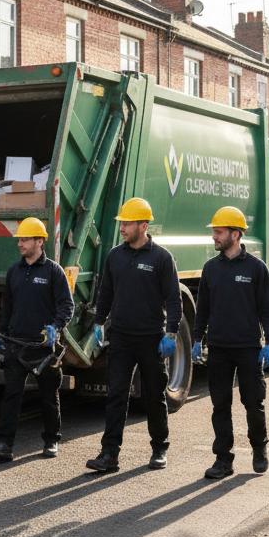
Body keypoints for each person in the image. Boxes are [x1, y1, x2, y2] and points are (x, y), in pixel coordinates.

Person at [85, 198, 181, 473]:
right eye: (122, 223)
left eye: (127, 224)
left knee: (154, 395)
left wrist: (171, 333)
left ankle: (160, 448)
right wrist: (99, 323)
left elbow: (174, 300)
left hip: (152, 339)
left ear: (143, 225)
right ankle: (109, 454)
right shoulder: (115, 255)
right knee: (116, 395)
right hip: (122, 339)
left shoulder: (162, 258)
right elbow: (106, 293)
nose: (122, 228)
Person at [193, 206, 269, 480]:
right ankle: (223, 459)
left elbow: (268, 308)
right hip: (218, 348)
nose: (214, 237)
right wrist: (196, 339)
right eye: (215, 232)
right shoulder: (210, 268)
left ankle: (259, 449)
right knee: (220, 405)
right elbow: (202, 308)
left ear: (235, 234)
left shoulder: (256, 268)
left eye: (218, 232)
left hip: (248, 348)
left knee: (253, 403)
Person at [0, 217, 74, 461]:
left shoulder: (53, 271)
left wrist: (56, 327)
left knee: (49, 395)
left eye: (25, 239)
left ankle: (52, 441)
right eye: (19, 240)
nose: (20, 244)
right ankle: (4, 445)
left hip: (44, 347)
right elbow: (8, 307)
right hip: (16, 344)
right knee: (11, 395)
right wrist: (1, 335)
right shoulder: (14, 271)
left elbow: (67, 305)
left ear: (40, 241)